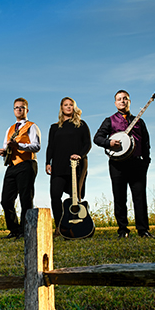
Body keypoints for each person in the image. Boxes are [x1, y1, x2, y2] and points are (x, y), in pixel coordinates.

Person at [94, 90, 154, 238]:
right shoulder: (109, 120)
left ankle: (143, 230)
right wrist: (109, 143)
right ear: (115, 103)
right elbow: (97, 138)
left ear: (129, 101)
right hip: (117, 165)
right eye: (119, 99)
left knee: (140, 197)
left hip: (137, 164)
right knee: (120, 198)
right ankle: (123, 230)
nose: (122, 101)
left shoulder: (139, 121)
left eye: (125, 98)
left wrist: (146, 161)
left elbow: (146, 142)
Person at [45, 97, 91, 233]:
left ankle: (75, 226)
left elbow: (87, 144)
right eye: (66, 105)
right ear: (61, 108)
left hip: (75, 166)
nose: (69, 107)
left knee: (75, 198)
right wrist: (48, 162)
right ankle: (60, 227)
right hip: (58, 166)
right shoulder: (54, 127)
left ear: (74, 108)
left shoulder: (81, 125)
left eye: (71, 105)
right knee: (55, 195)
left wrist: (80, 155)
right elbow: (50, 147)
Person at [0, 98, 41, 239]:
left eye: (22, 107)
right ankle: (14, 229)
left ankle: (25, 231)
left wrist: (19, 146)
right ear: (13, 110)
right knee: (6, 200)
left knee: (25, 199)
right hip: (12, 165)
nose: (19, 109)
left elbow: (37, 146)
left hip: (27, 163)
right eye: (16, 107)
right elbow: (7, 146)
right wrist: (4, 152)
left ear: (27, 110)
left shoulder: (32, 126)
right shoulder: (9, 129)